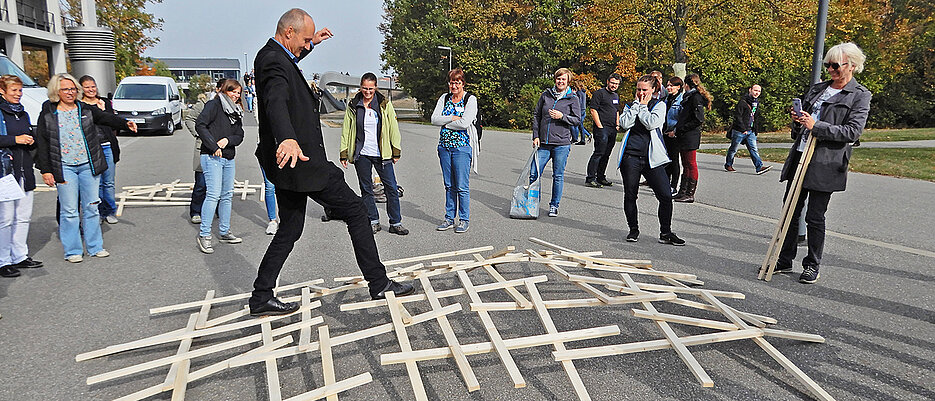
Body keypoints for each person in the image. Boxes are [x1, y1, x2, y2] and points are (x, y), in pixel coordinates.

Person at [252, 8, 414, 316]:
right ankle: (378, 283)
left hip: (290, 165)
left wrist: (313, 44)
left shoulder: (273, 56)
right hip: (301, 161)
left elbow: (290, 68)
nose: (304, 44)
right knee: (355, 210)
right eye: (303, 38)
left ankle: (261, 296)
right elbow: (275, 101)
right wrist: (286, 137)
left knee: (290, 229)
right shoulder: (273, 61)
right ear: (288, 33)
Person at [775, 42, 871, 284]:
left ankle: (812, 264)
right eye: (828, 65)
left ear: (852, 66)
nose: (830, 70)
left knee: (815, 216)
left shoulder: (860, 95)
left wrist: (815, 126)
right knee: (790, 211)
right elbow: (800, 127)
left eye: (835, 65)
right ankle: (784, 259)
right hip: (800, 155)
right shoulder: (818, 89)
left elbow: (852, 132)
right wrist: (798, 121)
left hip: (825, 162)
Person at [35, 73, 137, 262]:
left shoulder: (85, 109)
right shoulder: (48, 113)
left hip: (87, 165)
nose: (70, 92)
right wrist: (46, 170)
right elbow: (42, 143)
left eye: (73, 89)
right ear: (56, 91)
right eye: (65, 89)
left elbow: (106, 118)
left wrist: (125, 123)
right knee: (70, 211)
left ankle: (95, 246)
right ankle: (73, 250)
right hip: (64, 166)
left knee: (91, 207)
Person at [616, 75, 685, 245]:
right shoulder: (631, 104)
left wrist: (644, 107)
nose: (640, 93)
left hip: (651, 158)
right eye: (638, 89)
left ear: (653, 90)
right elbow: (625, 123)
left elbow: (652, 123)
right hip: (630, 156)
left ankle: (666, 232)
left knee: (665, 195)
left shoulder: (659, 105)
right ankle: (633, 229)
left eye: (644, 90)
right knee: (630, 195)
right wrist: (636, 106)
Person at [340, 72, 408, 235]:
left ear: (376, 87)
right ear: (360, 87)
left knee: (391, 188)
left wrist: (395, 150)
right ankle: (373, 221)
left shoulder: (384, 104)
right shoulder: (354, 104)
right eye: (364, 88)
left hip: (382, 154)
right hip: (362, 154)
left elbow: (393, 127)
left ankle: (395, 222)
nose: (367, 92)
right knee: (366, 189)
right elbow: (347, 129)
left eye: (370, 88)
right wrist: (344, 153)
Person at [195, 79, 245, 254]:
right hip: (211, 157)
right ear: (225, 90)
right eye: (233, 91)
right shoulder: (214, 105)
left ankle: (224, 231)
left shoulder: (236, 111)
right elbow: (200, 125)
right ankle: (204, 235)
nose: (236, 95)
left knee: (227, 196)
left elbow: (240, 134)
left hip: (228, 157)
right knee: (213, 195)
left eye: (239, 93)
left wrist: (227, 140)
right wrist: (213, 146)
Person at [0, 75, 41, 278]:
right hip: (6, 173)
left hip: (24, 168)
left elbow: (28, 140)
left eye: (20, 90)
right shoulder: (1, 113)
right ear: (2, 91)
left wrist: (32, 140)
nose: (18, 94)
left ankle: (20, 256)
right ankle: (3, 260)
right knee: (6, 219)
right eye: (14, 90)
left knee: (23, 216)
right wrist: (15, 139)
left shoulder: (22, 113)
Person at [430, 68, 478, 233]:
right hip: (444, 147)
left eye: (457, 82)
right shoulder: (444, 98)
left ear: (463, 83)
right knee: (449, 185)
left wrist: (444, 123)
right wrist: (450, 118)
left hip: (461, 148)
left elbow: (465, 123)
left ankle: (464, 219)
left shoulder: (470, 100)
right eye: (452, 82)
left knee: (461, 186)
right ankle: (449, 218)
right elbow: (433, 119)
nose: (454, 86)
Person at [531, 68, 580, 217]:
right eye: (558, 79)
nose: (560, 81)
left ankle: (554, 205)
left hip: (561, 144)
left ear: (568, 82)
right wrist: (536, 135)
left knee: (557, 175)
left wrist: (562, 116)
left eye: (563, 79)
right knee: (534, 173)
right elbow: (536, 115)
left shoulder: (573, 98)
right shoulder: (546, 95)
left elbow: (577, 120)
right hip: (544, 143)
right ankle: (533, 203)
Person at [78, 75, 121, 225]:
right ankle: (97, 211)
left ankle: (109, 211)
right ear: (81, 89)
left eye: (93, 86)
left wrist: (104, 110)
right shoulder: (79, 105)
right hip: (90, 148)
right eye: (87, 87)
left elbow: (113, 123)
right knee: (96, 182)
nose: (91, 89)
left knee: (108, 182)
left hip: (107, 145)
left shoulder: (104, 102)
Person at [673, 73, 712, 203]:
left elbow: (698, 119)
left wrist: (682, 128)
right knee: (685, 164)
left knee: (691, 164)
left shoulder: (695, 97)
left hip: (691, 136)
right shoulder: (688, 97)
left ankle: (690, 193)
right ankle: (682, 191)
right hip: (683, 135)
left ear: (686, 85)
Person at [725, 84, 771, 174]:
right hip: (739, 130)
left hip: (751, 131)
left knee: (753, 149)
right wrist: (743, 129)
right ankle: (728, 164)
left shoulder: (756, 103)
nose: (757, 93)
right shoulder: (742, 102)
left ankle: (759, 167)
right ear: (750, 90)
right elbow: (738, 117)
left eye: (759, 91)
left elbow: (755, 117)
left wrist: (755, 130)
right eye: (755, 90)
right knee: (733, 149)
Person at [585, 73, 621, 188]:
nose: (614, 85)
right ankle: (590, 178)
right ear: (607, 82)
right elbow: (593, 110)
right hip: (602, 128)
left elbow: (616, 111)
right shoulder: (599, 93)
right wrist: (599, 126)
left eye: (616, 84)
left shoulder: (615, 96)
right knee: (599, 152)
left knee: (607, 154)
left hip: (612, 128)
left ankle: (601, 177)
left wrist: (617, 124)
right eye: (612, 83)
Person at [184, 92, 209, 224]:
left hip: (218, 148)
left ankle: (214, 210)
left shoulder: (224, 105)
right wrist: (198, 134)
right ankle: (196, 211)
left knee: (216, 185)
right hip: (203, 147)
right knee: (201, 183)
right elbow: (189, 119)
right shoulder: (202, 105)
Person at [663, 77, 684, 195]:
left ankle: (673, 186)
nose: (669, 88)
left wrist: (675, 131)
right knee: (666, 160)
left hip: (674, 134)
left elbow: (682, 118)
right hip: (665, 132)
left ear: (678, 87)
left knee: (674, 160)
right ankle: (665, 184)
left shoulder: (681, 100)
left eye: (672, 86)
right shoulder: (667, 99)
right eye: (668, 85)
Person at [570, 80, 591, 145]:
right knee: (580, 125)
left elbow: (579, 102)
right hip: (583, 109)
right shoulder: (583, 92)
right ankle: (587, 135)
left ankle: (580, 139)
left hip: (580, 110)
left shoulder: (579, 93)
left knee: (578, 125)